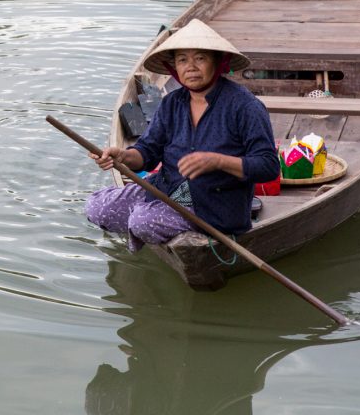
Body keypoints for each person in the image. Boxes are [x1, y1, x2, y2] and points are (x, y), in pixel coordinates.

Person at [85, 19, 279, 251]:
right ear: (174, 68)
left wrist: (217, 161)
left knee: (142, 221)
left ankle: (172, 231)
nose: (191, 67)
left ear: (218, 62)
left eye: (200, 58)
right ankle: (161, 228)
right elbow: (147, 153)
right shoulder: (172, 103)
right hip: (166, 189)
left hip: (216, 205)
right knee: (97, 206)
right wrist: (122, 157)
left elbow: (268, 166)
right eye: (182, 60)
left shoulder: (245, 106)